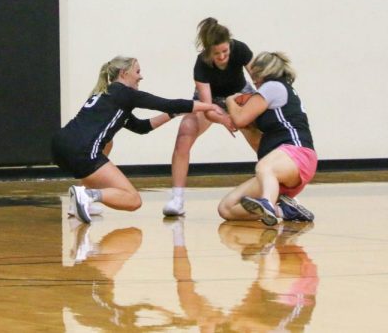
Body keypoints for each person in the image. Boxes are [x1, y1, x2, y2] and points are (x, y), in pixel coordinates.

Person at [53, 56, 222, 224]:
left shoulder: (108, 95)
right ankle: (88, 195)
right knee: (133, 200)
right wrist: (210, 106)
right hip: (81, 151)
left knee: (108, 142)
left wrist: (172, 114)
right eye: (138, 71)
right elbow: (168, 103)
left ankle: (80, 199)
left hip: (59, 147)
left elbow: (141, 127)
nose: (141, 76)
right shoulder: (124, 93)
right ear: (124, 73)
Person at [163, 18, 256, 217]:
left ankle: (280, 193)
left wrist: (248, 113)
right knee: (185, 131)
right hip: (211, 102)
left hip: (239, 95)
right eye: (217, 54)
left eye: (225, 52)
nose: (222, 56)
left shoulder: (240, 49)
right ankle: (177, 199)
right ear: (208, 52)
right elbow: (207, 107)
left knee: (262, 137)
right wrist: (225, 120)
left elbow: (259, 80)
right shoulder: (201, 64)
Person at [217, 51, 317, 226]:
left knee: (263, 166)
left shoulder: (273, 86)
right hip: (279, 171)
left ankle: (267, 203)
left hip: (298, 155)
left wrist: (230, 101)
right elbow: (257, 142)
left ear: (265, 72)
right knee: (227, 207)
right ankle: (284, 210)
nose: (253, 80)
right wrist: (243, 127)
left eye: (255, 74)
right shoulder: (271, 107)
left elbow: (240, 118)